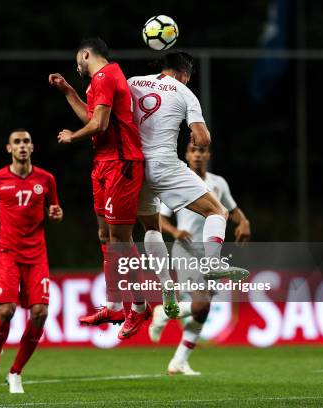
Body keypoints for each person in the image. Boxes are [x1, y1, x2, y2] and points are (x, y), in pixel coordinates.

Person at [49, 37, 169, 340]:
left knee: (120, 238)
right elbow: (94, 118)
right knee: (105, 235)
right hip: (104, 164)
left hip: (122, 163)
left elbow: (99, 125)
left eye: (78, 59)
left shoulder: (105, 76)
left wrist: (72, 137)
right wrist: (68, 91)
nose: (77, 65)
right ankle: (115, 304)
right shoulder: (103, 80)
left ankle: (139, 305)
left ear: (85, 54)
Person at [128, 51, 249, 290]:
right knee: (218, 211)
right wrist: (197, 134)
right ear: (184, 74)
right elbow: (203, 139)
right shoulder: (184, 92)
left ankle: (165, 286)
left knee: (151, 227)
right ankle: (213, 263)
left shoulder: (133, 82)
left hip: (133, 165)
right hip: (163, 165)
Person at [148, 142, 251, 375]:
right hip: (186, 251)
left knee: (202, 310)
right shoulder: (178, 182)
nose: (197, 155)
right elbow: (160, 218)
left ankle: (179, 361)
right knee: (201, 303)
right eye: (193, 151)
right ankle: (164, 312)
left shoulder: (218, 183)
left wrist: (244, 222)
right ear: (186, 155)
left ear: (208, 155)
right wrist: (175, 232)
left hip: (210, 253)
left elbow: (232, 211)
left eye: (201, 151)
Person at [0, 129, 63, 394]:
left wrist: (56, 214)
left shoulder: (46, 179)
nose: (22, 146)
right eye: (17, 142)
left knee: (40, 313)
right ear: (9, 149)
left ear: (32, 148)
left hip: (37, 255)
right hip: (7, 253)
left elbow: (54, 210)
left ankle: (16, 373)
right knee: (6, 310)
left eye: (26, 142)